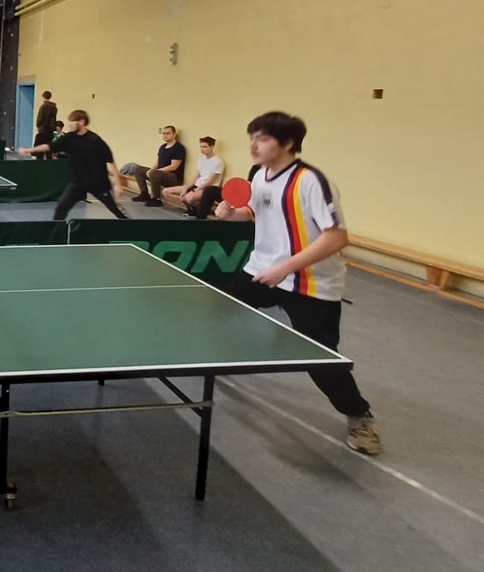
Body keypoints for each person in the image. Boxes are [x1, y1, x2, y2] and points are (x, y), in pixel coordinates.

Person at [215, 111, 380, 455]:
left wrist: (285, 268)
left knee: (319, 359)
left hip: (311, 283)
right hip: (262, 269)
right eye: (251, 137)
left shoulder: (310, 181)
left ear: (288, 143)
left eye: (262, 138)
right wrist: (232, 214)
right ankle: (222, 360)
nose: (253, 145)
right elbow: (256, 212)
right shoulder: (259, 176)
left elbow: (337, 237)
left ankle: (359, 416)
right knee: (223, 308)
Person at [21, 110, 128, 220]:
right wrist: (29, 150)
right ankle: (57, 229)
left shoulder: (95, 140)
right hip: (79, 182)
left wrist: (118, 184)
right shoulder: (69, 138)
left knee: (116, 209)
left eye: (73, 121)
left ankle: (130, 225)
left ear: (81, 122)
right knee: (61, 207)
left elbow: (110, 160)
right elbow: (49, 147)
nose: (70, 124)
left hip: (98, 183)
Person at [120, 125, 186, 207]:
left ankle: (156, 199)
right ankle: (144, 193)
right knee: (138, 169)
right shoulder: (163, 147)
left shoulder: (178, 148)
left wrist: (155, 171)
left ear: (174, 134)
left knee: (155, 173)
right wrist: (150, 170)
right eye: (163, 133)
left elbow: (174, 166)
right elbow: (157, 162)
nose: (165, 135)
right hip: (159, 174)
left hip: (173, 177)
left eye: (168, 133)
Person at [163, 136, 225, 217]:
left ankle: (207, 207)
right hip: (197, 185)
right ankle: (192, 207)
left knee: (189, 198)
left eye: (205, 147)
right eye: (201, 147)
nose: (202, 149)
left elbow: (210, 182)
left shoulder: (217, 162)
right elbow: (197, 175)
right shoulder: (201, 159)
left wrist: (195, 190)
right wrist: (186, 188)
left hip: (207, 188)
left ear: (212, 147)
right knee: (166, 192)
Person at [33, 91, 57, 158]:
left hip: (43, 130)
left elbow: (40, 119)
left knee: (40, 150)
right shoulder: (54, 107)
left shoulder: (43, 107)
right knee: (48, 149)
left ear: (43, 97)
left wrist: (39, 127)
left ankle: (39, 162)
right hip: (50, 131)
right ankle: (48, 162)